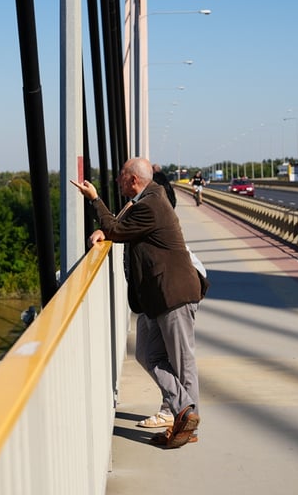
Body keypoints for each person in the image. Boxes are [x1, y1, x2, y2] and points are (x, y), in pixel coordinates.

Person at [70, 157, 203, 449]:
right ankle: (185, 410)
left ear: (132, 180)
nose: (117, 180)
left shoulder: (151, 204)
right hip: (156, 297)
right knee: (146, 353)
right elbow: (119, 226)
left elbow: (118, 230)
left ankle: (187, 422)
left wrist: (95, 200)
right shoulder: (146, 199)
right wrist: (108, 229)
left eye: (120, 176)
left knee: (182, 362)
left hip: (173, 294)